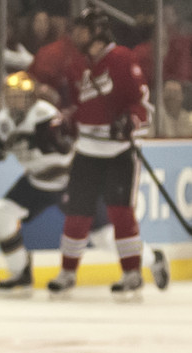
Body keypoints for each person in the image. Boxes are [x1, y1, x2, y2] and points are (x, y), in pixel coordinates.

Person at [0, 71, 167, 296]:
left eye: (21, 96)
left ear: (32, 96)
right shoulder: (3, 120)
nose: (15, 101)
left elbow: (65, 144)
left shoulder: (45, 114)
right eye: (12, 95)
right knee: (0, 212)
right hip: (36, 181)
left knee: (103, 237)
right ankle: (21, 272)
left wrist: (41, 140)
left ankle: (152, 257)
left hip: (70, 181)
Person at [47, 7, 156, 300]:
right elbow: (79, 107)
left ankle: (132, 273)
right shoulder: (76, 65)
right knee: (77, 214)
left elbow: (142, 105)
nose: (76, 35)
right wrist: (67, 124)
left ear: (97, 31)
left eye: (81, 30)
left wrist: (130, 121)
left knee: (120, 213)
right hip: (86, 150)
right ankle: (68, 272)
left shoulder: (122, 58)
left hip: (119, 152)